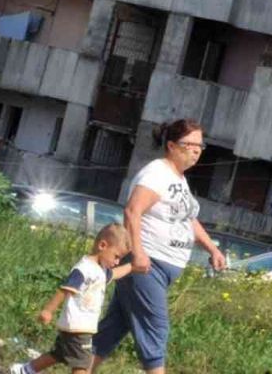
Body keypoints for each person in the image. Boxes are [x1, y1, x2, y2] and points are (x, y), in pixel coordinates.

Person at [91, 119, 226, 374]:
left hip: (161, 268)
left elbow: (187, 219)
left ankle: (38, 369)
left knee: (113, 329)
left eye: (200, 145)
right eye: (190, 145)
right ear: (172, 146)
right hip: (147, 265)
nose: (196, 150)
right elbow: (133, 211)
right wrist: (139, 254)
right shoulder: (157, 173)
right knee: (156, 329)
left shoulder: (179, 179)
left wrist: (212, 249)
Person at [13, 223, 132, 374]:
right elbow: (65, 290)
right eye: (116, 257)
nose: (117, 262)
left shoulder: (101, 270)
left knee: (60, 354)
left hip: (78, 326)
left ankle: (26, 369)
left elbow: (114, 274)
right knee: (82, 365)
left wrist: (131, 267)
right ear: (103, 245)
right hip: (78, 326)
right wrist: (48, 310)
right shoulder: (84, 269)